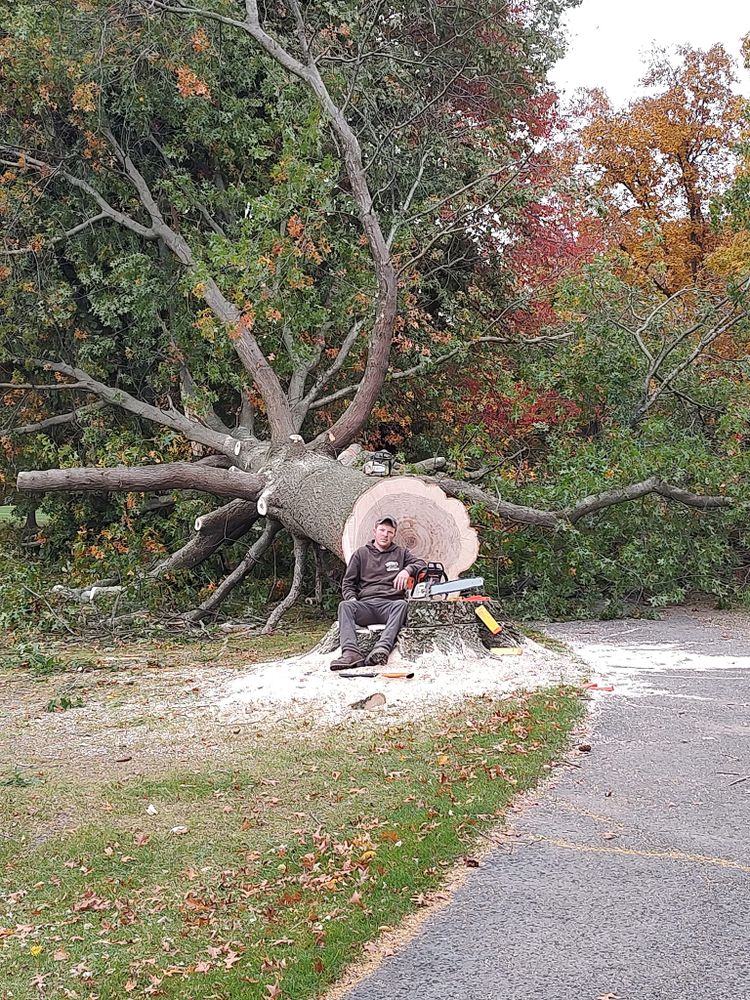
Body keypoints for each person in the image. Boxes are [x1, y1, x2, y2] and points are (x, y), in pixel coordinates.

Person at [330, 515, 426, 671]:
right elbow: (348, 583)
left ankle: (381, 649)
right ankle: (350, 654)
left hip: (390, 606)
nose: (385, 534)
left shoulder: (400, 553)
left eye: (389, 531)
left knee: (401, 605)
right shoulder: (361, 554)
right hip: (365, 605)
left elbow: (421, 564)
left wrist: (407, 570)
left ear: (394, 534)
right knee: (345, 606)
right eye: (382, 530)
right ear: (374, 531)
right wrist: (352, 598)